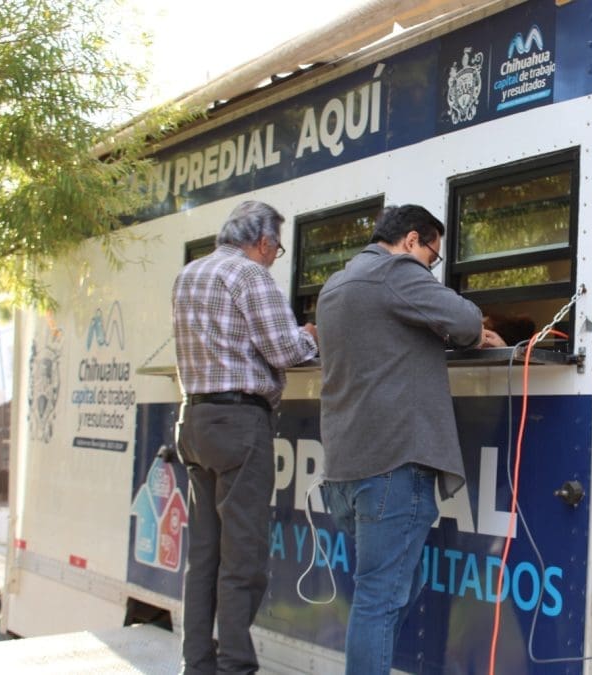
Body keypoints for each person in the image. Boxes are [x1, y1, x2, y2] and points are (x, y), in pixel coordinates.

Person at [316, 204, 504, 674]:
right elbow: (462, 322)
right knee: (380, 598)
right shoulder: (394, 271)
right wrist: (477, 326)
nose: (429, 267)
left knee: (399, 582)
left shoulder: (336, 284)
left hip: (345, 467)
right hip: (392, 465)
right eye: (432, 257)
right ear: (411, 240)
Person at [172, 200, 318, 675]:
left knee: (205, 556)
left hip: (194, 422)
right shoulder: (252, 276)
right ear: (262, 242)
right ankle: (235, 666)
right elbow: (285, 349)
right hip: (240, 424)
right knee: (244, 558)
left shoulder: (189, 274)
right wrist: (312, 334)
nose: (276, 256)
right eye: (276, 246)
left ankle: (197, 664)